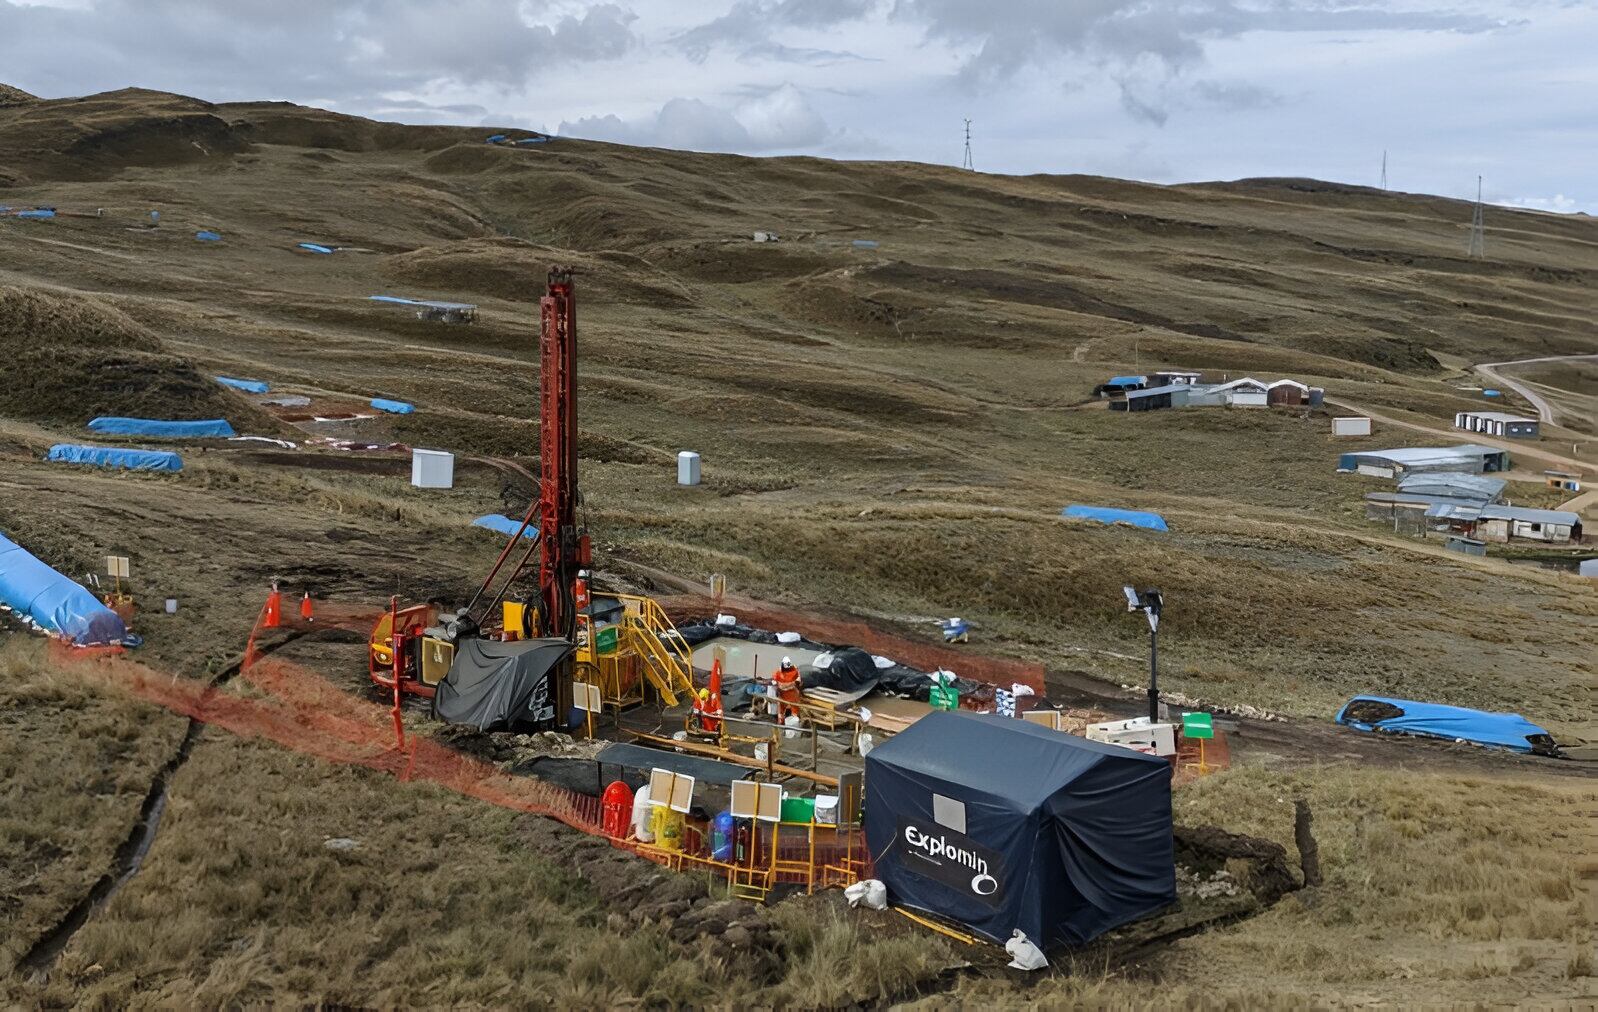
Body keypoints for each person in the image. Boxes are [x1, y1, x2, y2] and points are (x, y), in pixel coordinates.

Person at [772, 656, 803, 722]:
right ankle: (781, 725)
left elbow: (799, 682)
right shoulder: (778, 672)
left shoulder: (795, 671)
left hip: (792, 695)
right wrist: (776, 689)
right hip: (782, 695)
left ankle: (794, 725)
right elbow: (774, 682)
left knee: (795, 712)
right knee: (781, 712)